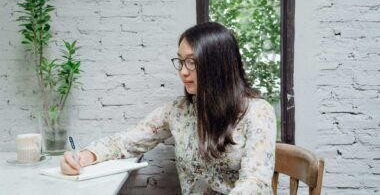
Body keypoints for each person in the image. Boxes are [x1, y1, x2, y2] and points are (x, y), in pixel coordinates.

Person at [60, 22, 276, 194]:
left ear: (216, 65)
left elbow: (255, 184)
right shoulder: (178, 111)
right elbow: (126, 141)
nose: (182, 71)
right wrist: (85, 156)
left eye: (192, 62)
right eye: (181, 61)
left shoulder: (257, 112)